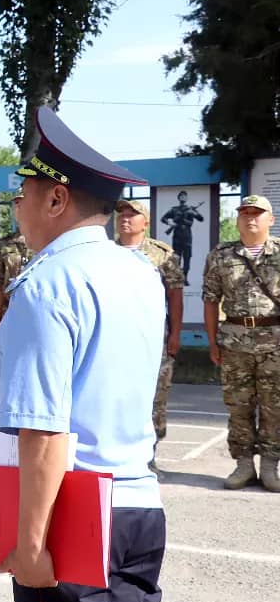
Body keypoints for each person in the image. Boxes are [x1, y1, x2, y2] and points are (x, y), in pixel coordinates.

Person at [0, 107, 166, 602]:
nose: (16, 205)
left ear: (57, 200)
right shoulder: (140, 273)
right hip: (139, 505)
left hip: (75, 514)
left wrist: (32, 543)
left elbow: (44, 430)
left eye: (24, 192)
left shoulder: (46, 284)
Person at [202, 194, 280, 492]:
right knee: (238, 407)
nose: (250, 218)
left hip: (275, 342)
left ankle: (271, 464)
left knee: (275, 407)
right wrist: (212, 341)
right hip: (234, 343)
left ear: (270, 219)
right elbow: (211, 300)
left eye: (257, 213)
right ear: (237, 219)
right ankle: (244, 464)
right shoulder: (221, 255)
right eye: (245, 213)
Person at [116, 199, 185, 479]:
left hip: (152, 339)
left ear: (145, 222)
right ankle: (117, 455)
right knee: (116, 396)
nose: (125, 218)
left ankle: (148, 457)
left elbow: (175, 296)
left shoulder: (161, 255)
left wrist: (175, 334)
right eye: (121, 213)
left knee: (154, 398)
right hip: (114, 339)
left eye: (133, 214)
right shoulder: (103, 252)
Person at [0, 190, 32, 329]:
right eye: (16, 204)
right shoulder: (5, 243)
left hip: (37, 313)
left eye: (23, 202)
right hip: (10, 315)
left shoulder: (48, 241)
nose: (19, 207)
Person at [160, 189, 204, 283]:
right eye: (181, 196)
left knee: (187, 257)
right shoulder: (174, 209)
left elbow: (201, 219)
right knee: (177, 257)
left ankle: (185, 278)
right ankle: (177, 277)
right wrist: (170, 224)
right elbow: (163, 218)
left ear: (187, 198)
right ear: (178, 198)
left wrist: (196, 210)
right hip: (177, 234)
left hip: (187, 235)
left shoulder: (190, 209)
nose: (183, 197)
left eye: (185, 196)